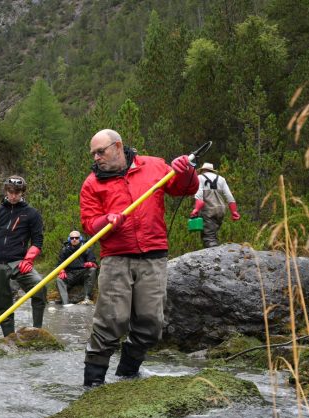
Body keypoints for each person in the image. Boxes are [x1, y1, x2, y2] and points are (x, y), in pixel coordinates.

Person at [80, 129, 199, 387]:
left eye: (101, 152)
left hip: (154, 256)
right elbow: (89, 223)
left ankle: (127, 375)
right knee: (112, 321)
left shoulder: (154, 166)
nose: (96, 158)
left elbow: (186, 188)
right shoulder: (92, 183)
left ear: (118, 146)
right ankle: (92, 383)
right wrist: (105, 220)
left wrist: (185, 170)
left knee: (151, 323)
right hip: (116, 258)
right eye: (93, 154)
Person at [0, 175, 46, 337]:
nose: (13, 196)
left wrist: (29, 259)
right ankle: (9, 338)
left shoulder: (32, 214)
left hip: (18, 262)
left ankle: (37, 331)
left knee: (39, 286)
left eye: (17, 192)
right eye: (10, 192)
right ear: (6, 191)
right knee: (3, 304)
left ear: (22, 192)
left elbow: (37, 240)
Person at [190, 162, 240, 248]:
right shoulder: (221, 179)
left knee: (208, 237)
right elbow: (229, 197)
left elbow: (199, 196)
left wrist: (196, 209)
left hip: (208, 210)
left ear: (202, 170)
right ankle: (215, 249)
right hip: (221, 211)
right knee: (213, 233)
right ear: (212, 171)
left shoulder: (200, 178)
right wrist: (234, 212)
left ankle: (213, 252)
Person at [55, 230, 98, 306]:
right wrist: (61, 270)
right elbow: (59, 264)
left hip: (82, 273)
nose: (74, 239)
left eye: (76, 238)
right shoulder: (64, 250)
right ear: (69, 239)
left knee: (92, 270)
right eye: (72, 238)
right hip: (70, 274)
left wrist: (91, 263)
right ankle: (65, 303)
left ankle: (87, 297)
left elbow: (94, 263)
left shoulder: (86, 249)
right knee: (59, 279)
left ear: (80, 238)